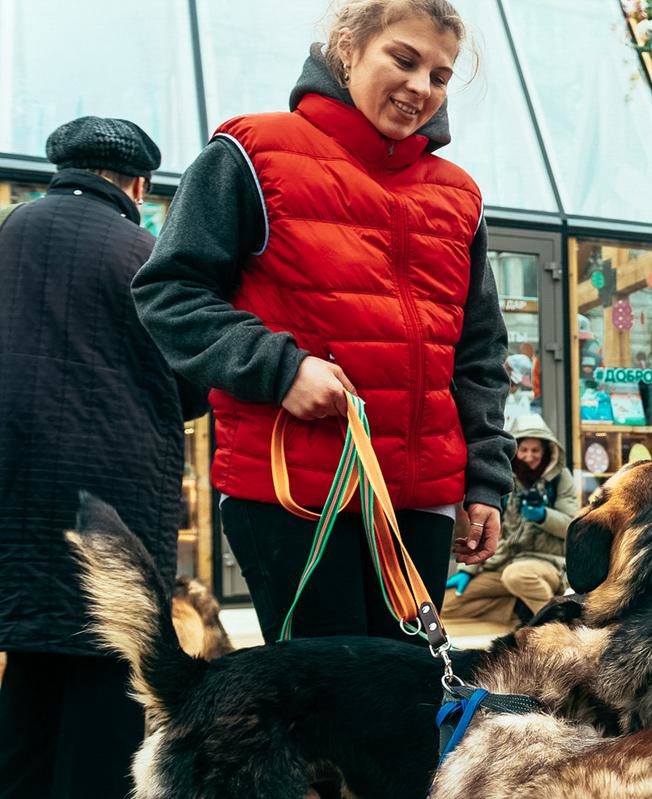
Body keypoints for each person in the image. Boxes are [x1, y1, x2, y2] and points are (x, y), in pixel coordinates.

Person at [132, 0, 514, 644]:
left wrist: (485, 481)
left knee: (405, 699)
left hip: (419, 501)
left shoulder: (458, 195)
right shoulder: (250, 153)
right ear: (347, 50)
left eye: (441, 75)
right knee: (320, 714)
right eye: (405, 59)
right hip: (294, 496)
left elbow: (478, 353)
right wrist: (283, 369)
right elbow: (169, 292)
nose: (422, 87)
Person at [0, 117, 206, 798]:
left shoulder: (9, 233)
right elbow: (191, 382)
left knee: (30, 673)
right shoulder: (144, 252)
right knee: (109, 661)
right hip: (113, 502)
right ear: (138, 183)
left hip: (17, 494)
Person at [442, 414, 578, 634]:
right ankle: (520, 614)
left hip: (547, 563)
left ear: (546, 451)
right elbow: (492, 530)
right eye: (524, 449)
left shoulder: (560, 478)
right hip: (505, 562)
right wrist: (470, 570)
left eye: (536, 450)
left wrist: (543, 516)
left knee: (518, 575)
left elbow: (571, 527)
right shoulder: (505, 481)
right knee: (447, 605)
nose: (529, 456)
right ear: (515, 450)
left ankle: (563, 628)